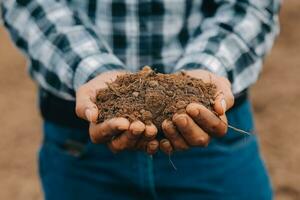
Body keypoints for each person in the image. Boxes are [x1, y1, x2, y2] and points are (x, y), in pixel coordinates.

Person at [1, 0, 280, 199]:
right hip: (80, 137)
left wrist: (204, 74)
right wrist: (97, 74)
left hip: (211, 127)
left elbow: (252, 5)